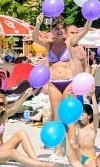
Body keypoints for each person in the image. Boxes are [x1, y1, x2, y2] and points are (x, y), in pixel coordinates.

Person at [31, 15, 91, 154]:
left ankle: (70, 148)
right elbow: (35, 38)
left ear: (64, 29)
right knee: (57, 116)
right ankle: (58, 148)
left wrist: (90, 19)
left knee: (69, 116)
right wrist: (37, 24)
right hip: (53, 84)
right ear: (52, 30)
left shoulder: (68, 42)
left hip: (68, 82)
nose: (59, 31)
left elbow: (84, 32)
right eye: (56, 28)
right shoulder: (48, 44)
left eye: (61, 28)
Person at [0, 90, 54, 167]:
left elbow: (15, 108)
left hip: (1, 149)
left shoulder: (3, 116)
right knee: (12, 152)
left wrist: (25, 95)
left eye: (1, 104)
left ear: (4, 106)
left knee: (21, 133)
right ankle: (42, 164)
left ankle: (36, 162)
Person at [68, 97, 100, 167]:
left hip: (89, 158)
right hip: (78, 158)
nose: (80, 117)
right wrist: (71, 97)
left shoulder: (93, 127)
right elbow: (71, 111)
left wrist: (93, 96)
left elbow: (96, 113)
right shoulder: (79, 126)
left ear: (89, 116)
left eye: (82, 115)